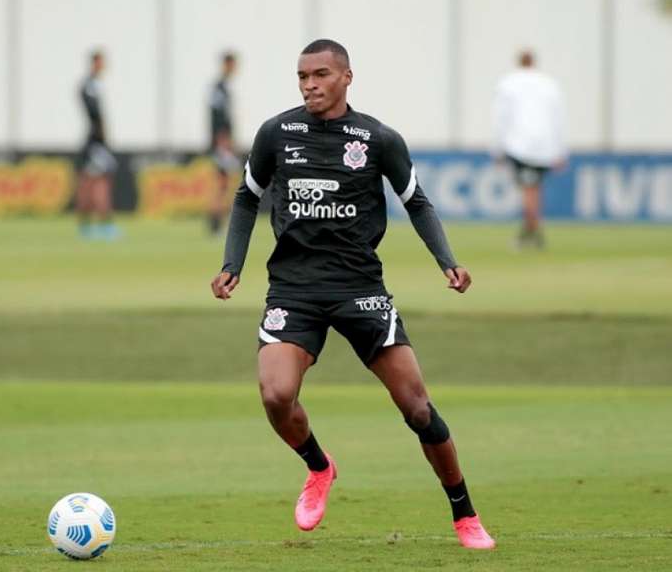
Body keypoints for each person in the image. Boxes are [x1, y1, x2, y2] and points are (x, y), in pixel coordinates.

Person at [210, 39, 495, 550]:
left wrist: (448, 261)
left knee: (417, 408)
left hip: (360, 288)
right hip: (294, 290)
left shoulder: (377, 138)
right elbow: (246, 198)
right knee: (276, 395)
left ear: (346, 77)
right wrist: (232, 264)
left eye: (320, 74)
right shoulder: (277, 133)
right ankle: (319, 468)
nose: (310, 84)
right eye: (302, 76)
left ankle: (465, 514)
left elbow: (418, 204)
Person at [492, 49, 566, 249]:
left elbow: (501, 117)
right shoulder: (550, 84)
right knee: (534, 188)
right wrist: (560, 151)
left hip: (521, 145)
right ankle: (532, 228)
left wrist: (498, 149)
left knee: (528, 189)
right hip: (545, 146)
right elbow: (558, 117)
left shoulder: (508, 83)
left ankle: (532, 232)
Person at [77, 50, 119, 240]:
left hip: (93, 142)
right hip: (96, 143)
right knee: (100, 182)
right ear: (95, 63)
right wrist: (101, 134)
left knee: (88, 182)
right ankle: (104, 226)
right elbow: (94, 113)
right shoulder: (90, 85)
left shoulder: (91, 84)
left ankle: (85, 225)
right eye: (101, 62)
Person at [207, 51, 240, 235]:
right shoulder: (219, 88)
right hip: (221, 142)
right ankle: (215, 223)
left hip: (223, 141)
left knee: (224, 182)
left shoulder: (223, 87)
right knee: (221, 182)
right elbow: (217, 118)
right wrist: (223, 141)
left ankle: (217, 223)